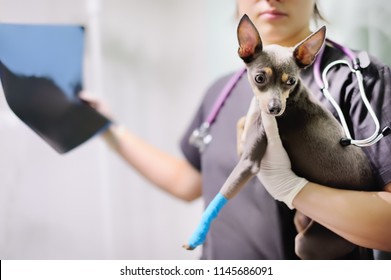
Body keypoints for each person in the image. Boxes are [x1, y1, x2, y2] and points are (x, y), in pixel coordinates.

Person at [96, 0, 391, 259]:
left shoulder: (361, 81)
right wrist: (108, 129)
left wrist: (292, 189)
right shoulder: (221, 91)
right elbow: (188, 182)